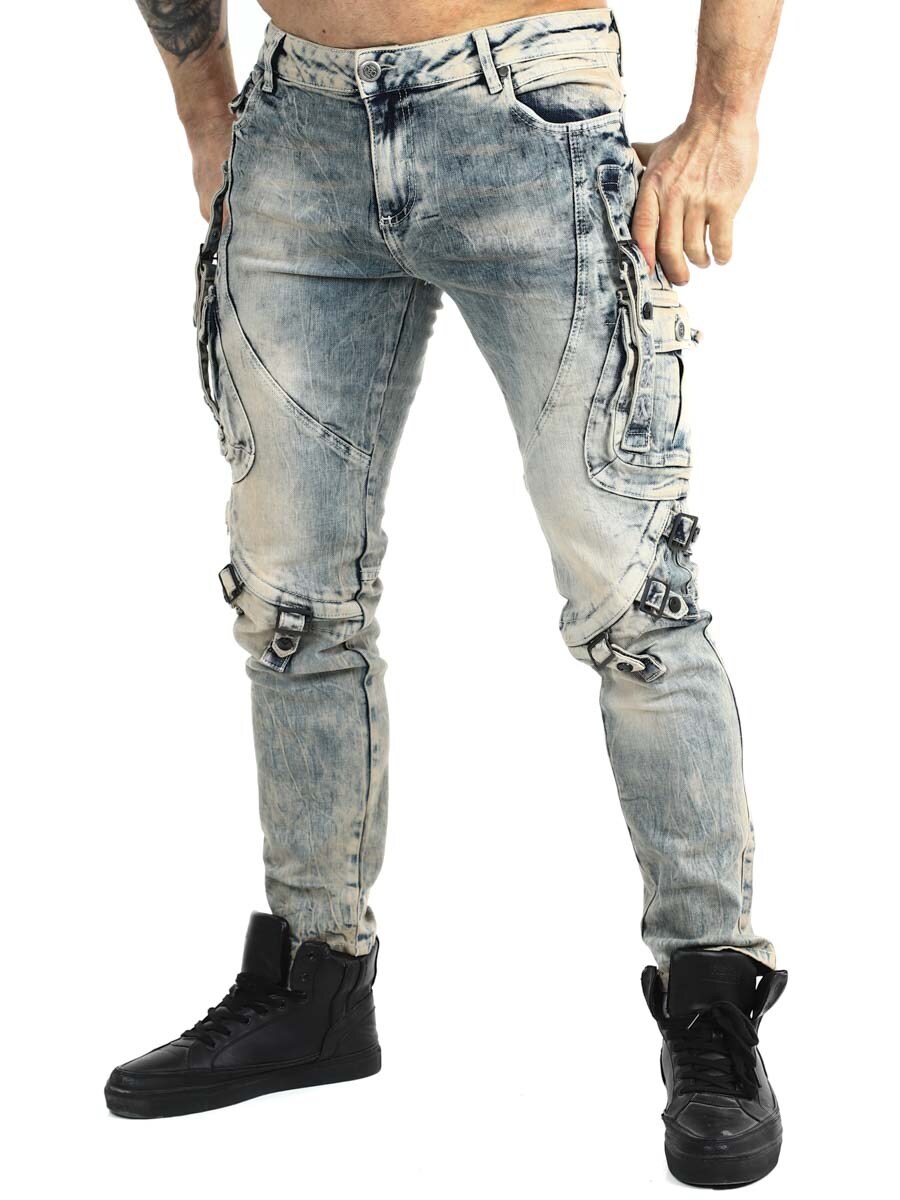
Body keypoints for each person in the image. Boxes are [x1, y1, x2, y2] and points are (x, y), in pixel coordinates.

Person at [106, 1, 788, 1187]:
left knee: (636, 605)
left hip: (526, 108)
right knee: (290, 607)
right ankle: (315, 984)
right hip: (297, 126)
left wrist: (727, 114)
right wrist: (205, 110)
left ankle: (711, 998)